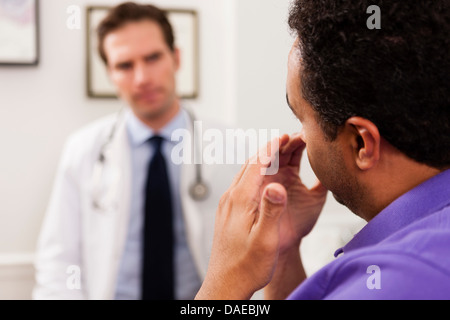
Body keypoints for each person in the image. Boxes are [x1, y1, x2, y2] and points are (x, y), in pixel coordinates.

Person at [195, 0, 450, 300]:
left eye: (301, 118)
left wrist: (225, 280)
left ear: (361, 143)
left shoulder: (397, 280)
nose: (298, 137)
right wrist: (283, 251)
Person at [33, 2, 238, 300]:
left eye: (153, 58)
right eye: (125, 65)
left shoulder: (229, 146)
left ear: (176, 58)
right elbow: (58, 262)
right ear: (110, 74)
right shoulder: (83, 150)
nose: (142, 78)